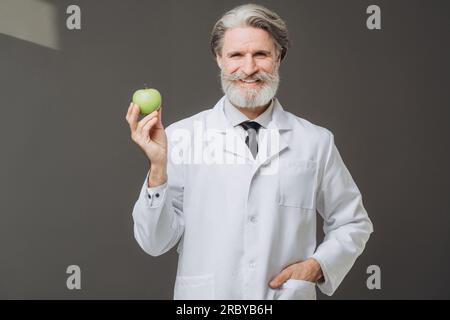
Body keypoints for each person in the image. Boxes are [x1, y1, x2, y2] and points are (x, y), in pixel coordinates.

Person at [125, 4, 373, 300]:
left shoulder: (315, 141)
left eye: (261, 54)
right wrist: (157, 169)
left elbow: (353, 222)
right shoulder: (180, 137)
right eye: (236, 55)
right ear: (219, 59)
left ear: (278, 57)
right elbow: (154, 242)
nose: (249, 68)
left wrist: (318, 267)